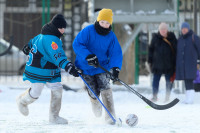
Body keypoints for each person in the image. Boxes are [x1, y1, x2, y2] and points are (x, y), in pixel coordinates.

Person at [16, 14, 79, 124]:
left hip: (49, 69)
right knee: (36, 92)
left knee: (57, 88)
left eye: (64, 28)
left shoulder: (43, 35)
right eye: (60, 28)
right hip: (38, 69)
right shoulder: (52, 40)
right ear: (55, 27)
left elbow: (33, 41)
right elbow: (58, 56)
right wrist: (68, 66)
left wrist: (28, 46)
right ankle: (22, 101)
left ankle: (54, 117)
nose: (63, 30)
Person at [72, 8, 123, 124]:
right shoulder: (88, 31)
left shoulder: (111, 36)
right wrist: (88, 55)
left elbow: (115, 52)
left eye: (107, 23)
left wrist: (115, 68)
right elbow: (77, 44)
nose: (104, 25)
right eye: (102, 22)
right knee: (93, 91)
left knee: (106, 88)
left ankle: (110, 116)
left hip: (101, 67)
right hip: (85, 67)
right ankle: (95, 103)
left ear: (110, 23)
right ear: (98, 20)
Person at [148, 22, 177, 102]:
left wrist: (175, 63)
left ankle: (167, 97)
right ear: (159, 30)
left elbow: (176, 50)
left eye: (164, 29)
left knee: (169, 82)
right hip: (157, 65)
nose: (163, 31)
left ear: (167, 30)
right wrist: (150, 61)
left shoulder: (172, 38)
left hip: (169, 65)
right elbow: (151, 50)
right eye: (161, 29)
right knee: (155, 81)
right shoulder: (155, 38)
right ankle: (154, 96)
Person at [176, 22, 200, 104]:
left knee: (190, 80)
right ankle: (187, 98)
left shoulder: (194, 37)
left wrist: (198, 61)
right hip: (183, 64)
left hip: (191, 63)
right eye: (182, 28)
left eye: (185, 28)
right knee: (186, 80)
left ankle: (190, 99)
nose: (184, 30)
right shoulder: (180, 39)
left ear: (188, 29)